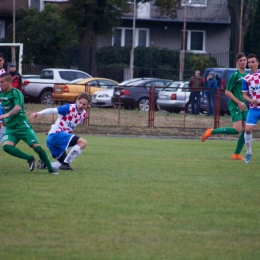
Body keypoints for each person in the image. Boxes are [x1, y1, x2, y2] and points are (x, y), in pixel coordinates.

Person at [0, 72, 58, 174]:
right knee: (6, 147)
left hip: (22, 125)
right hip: (10, 128)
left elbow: (18, 108)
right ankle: (30, 158)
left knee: (37, 148)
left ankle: (51, 169)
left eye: (2, 82)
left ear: (9, 82)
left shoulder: (16, 93)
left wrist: (7, 115)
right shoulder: (2, 94)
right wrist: (5, 120)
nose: (0, 84)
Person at [201, 52, 248, 161]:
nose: (243, 62)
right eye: (240, 60)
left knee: (247, 129)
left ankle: (236, 154)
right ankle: (211, 131)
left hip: (243, 105)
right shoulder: (235, 75)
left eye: (244, 60)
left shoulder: (247, 76)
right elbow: (227, 92)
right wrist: (238, 102)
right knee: (237, 130)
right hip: (235, 104)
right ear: (237, 62)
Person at [31, 92, 91, 171]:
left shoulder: (83, 114)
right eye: (80, 103)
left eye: (84, 104)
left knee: (62, 164)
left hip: (54, 138)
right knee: (83, 142)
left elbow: (66, 124)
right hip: (56, 135)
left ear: (88, 105)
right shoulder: (68, 108)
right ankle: (66, 164)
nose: (81, 105)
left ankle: (44, 164)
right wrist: (39, 113)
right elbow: (52, 110)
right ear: (77, 100)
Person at [241, 54, 260, 164]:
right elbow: (244, 95)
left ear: (258, 63)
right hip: (254, 108)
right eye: (249, 62)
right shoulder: (246, 78)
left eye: (253, 62)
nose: (251, 64)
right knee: (247, 129)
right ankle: (249, 152)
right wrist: (251, 100)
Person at [0, 53, 6, 140]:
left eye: (0, 60)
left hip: (2, 100)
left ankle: (2, 139)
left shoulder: (4, 73)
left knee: (3, 122)